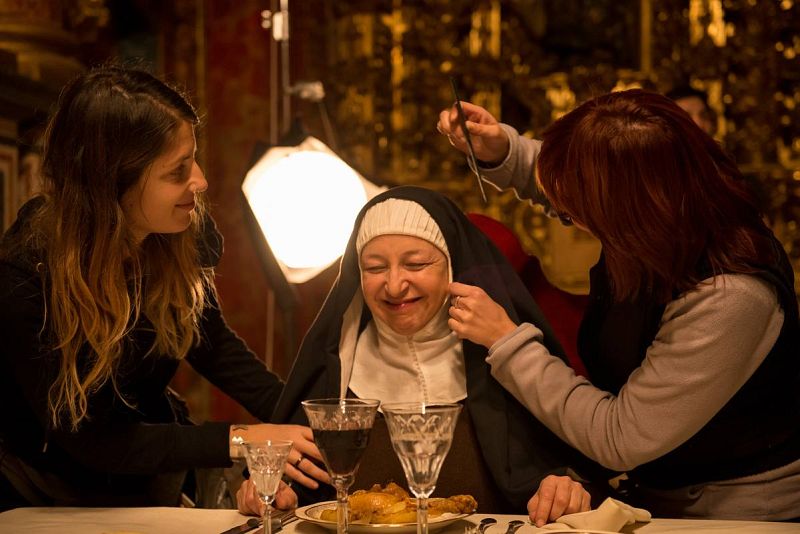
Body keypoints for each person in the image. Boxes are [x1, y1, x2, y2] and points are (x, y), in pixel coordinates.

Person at [436, 89, 800, 520]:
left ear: (625, 214)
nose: (566, 213)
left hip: (738, 516)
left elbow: (619, 437)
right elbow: (603, 172)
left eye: (575, 210)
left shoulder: (730, 297)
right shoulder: (674, 199)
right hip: (656, 490)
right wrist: (505, 151)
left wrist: (506, 341)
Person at [0, 65, 328, 511]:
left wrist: (306, 423)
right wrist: (244, 438)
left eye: (193, 157)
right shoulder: (25, 279)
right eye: (177, 172)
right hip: (40, 493)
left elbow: (212, 345)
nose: (200, 181)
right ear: (111, 184)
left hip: (144, 481)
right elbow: (94, 439)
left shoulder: (179, 231)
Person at [238, 185, 609, 522]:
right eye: (375, 267)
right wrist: (268, 491)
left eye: (416, 264)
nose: (395, 285)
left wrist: (568, 486)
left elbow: (574, 470)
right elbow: (294, 490)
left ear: (452, 267)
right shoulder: (334, 369)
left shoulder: (505, 359)